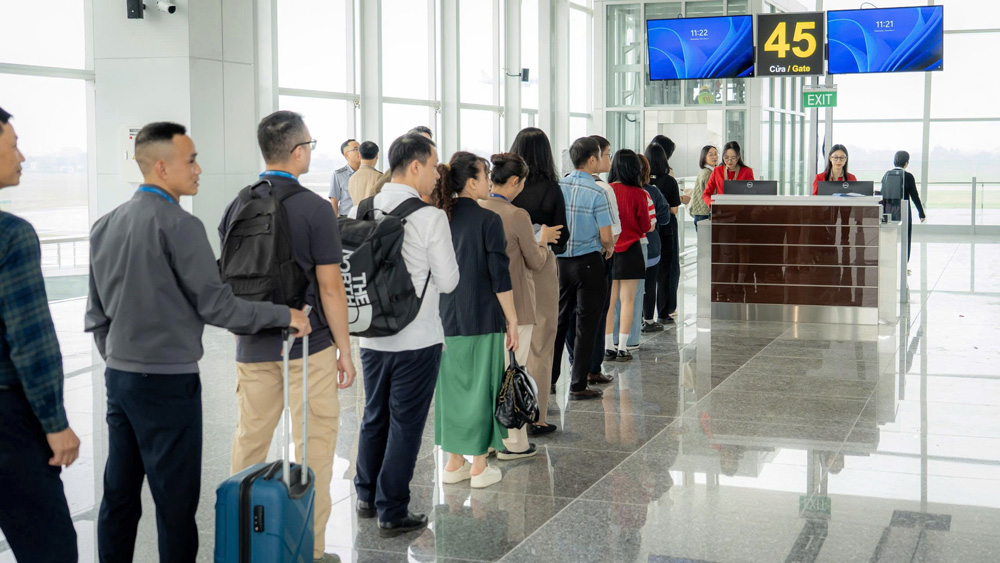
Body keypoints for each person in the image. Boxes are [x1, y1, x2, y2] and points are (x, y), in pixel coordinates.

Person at [86, 121, 312, 562]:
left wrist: (119, 360)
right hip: (169, 386)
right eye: (190, 161)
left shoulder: (104, 225)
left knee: (119, 496)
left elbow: (96, 317)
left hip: (120, 379)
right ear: (161, 167)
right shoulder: (181, 226)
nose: (199, 169)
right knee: (175, 505)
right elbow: (220, 308)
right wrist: (283, 314)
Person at [221, 111, 355, 563]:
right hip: (307, 348)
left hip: (252, 344)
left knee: (249, 442)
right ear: (299, 152)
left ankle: (242, 541)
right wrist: (345, 351)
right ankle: (309, 550)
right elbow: (332, 288)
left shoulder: (237, 204)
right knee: (314, 445)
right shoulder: (315, 208)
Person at [353, 133, 460, 537]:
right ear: (415, 166)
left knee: (374, 415)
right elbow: (449, 281)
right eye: (433, 166)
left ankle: (365, 495)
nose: (437, 175)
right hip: (417, 338)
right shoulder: (431, 217)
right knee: (406, 423)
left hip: (371, 336)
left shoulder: (364, 207)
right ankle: (392, 508)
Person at [0, 106, 80, 563]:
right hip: (9, 420)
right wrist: (55, 423)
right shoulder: (11, 235)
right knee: (48, 547)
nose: (23, 156)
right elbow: (31, 343)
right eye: (12, 145)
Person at [431, 152, 518, 489]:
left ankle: (453, 463)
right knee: (483, 389)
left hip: (443, 319)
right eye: (484, 175)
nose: (488, 181)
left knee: (451, 391)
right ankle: (480, 465)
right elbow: (500, 277)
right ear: (471, 182)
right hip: (482, 317)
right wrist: (512, 320)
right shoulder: (487, 220)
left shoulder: (438, 217)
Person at [480, 153, 561, 457]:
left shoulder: (479, 207)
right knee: (515, 371)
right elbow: (536, 262)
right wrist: (543, 239)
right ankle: (514, 442)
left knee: (492, 375)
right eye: (522, 183)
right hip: (519, 305)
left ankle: (488, 439)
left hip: (487, 306)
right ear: (514, 181)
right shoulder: (517, 215)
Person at [508, 127, 567, 433]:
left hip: (507, 270)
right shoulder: (551, 188)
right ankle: (537, 416)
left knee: (510, 339)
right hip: (541, 267)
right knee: (541, 342)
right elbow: (563, 238)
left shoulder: (502, 190)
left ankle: (507, 413)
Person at [551, 137, 615, 400]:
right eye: (601, 155)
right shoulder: (598, 192)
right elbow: (606, 236)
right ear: (591, 160)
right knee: (586, 324)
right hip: (589, 263)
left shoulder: (558, 187)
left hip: (560, 264)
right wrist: (608, 247)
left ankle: (550, 380)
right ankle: (578, 384)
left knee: (559, 322)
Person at [604, 150, 652, 361]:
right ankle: (623, 346)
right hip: (632, 250)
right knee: (628, 300)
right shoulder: (640, 193)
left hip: (610, 249)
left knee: (609, 300)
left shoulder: (607, 190)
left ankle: (608, 345)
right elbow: (645, 226)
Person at [647, 143, 682, 325]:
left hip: (647, 230)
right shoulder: (669, 181)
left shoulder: (642, 182)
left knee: (648, 273)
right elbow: (674, 210)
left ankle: (646, 315)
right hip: (666, 228)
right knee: (665, 271)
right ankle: (664, 312)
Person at [636, 154, 671, 336]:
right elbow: (665, 218)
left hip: (624, 248)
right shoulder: (653, 192)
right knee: (649, 284)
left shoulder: (613, 190)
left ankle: (632, 322)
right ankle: (648, 320)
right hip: (650, 247)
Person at [371, 126, 434, 196]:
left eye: (429, 143)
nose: (428, 148)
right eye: (423, 144)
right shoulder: (398, 170)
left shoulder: (432, 171)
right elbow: (375, 191)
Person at [889, 150, 927, 263]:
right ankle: (905, 263)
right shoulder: (908, 176)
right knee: (907, 237)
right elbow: (914, 196)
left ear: (894, 162)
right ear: (906, 163)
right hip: (904, 210)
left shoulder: (887, 174)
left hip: (889, 210)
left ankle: (890, 262)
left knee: (890, 237)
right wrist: (921, 213)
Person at [701, 140, 754, 207]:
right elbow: (706, 194)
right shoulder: (717, 171)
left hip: (741, 210)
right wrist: (711, 203)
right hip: (721, 211)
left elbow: (752, 195)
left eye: (733, 158)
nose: (729, 161)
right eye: (726, 157)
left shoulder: (747, 172)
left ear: (738, 157)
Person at [688, 145, 717, 230]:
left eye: (716, 154)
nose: (714, 157)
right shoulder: (708, 173)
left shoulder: (704, 171)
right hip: (705, 214)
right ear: (704, 157)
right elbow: (711, 194)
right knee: (707, 242)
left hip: (700, 213)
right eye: (710, 155)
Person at [330, 139, 360, 216]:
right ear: (347, 155)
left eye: (361, 148)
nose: (360, 151)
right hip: (347, 218)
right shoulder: (339, 175)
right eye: (356, 149)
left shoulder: (369, 173)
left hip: (366, 218)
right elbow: (334, 202)